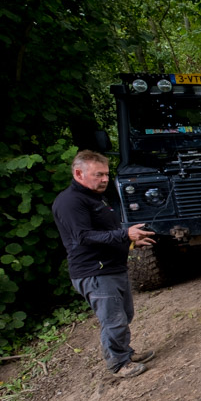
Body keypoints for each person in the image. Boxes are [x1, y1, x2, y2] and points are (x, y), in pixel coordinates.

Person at [52, 150, 157, 378]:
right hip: (94, 272)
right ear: (79, 173)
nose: (105, 179)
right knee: (113, 320)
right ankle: (118, 364)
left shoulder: (94, 198)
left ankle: (124, 352)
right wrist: (124, 235)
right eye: (99, 175)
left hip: (111, 267)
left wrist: (130, 244)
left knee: (124, 315)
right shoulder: (70, 202)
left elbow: (105, 233)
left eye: (106, 174)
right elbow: (83, 237)